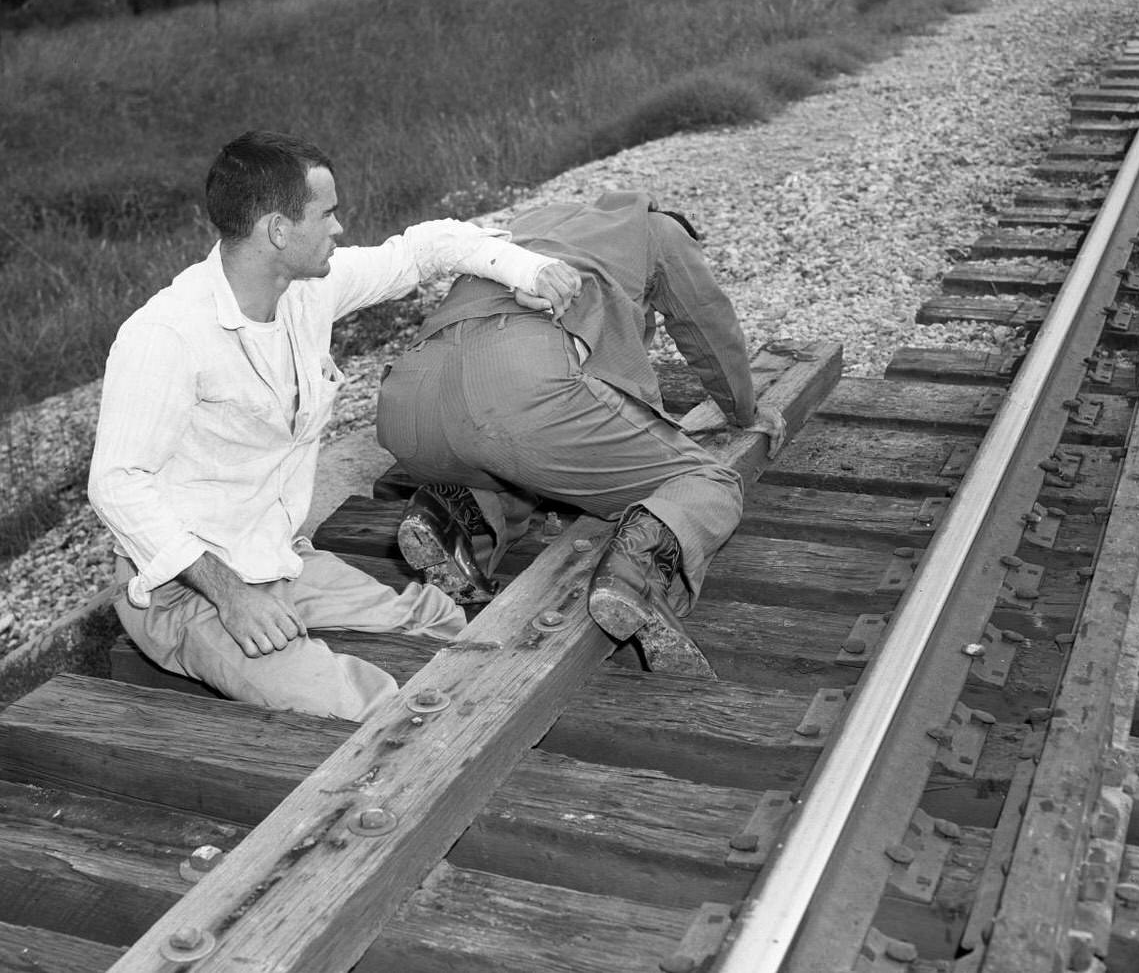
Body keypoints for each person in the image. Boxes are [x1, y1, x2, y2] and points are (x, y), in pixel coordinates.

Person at [87, 130, 580, 721]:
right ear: (277, 230)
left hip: (278, 559)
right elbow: (116, 484)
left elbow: (422, 250)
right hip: (187, 592)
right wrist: (233, 596)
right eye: (327, 214)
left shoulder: (304, 291)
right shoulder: (164, 336)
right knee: (364, 704)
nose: (339, 229)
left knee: (440, 619)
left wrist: (531, 270)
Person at [375, 190, 785, 676]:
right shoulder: (660, 233)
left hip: (407, 406)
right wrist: (744, 410)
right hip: (518, 387)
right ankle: (636, 574)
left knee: (512, 463)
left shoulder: (547, 222)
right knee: (707, 484)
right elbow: (707, 325)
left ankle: (456, 514)